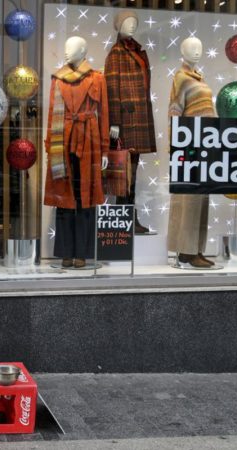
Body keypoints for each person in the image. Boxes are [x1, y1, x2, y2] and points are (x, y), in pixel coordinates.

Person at [44, 36, 109, 269]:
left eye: (71, 48)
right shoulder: (58, 79)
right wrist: (50, 145)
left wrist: (104, 149)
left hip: (89, 142)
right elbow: (52, 114)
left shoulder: (97, 78)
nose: (66, 52)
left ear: (83, 51)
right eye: (65, 47)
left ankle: (82, 252)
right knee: (63, 198)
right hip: (63, 141)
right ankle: (64, 252)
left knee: (85, 199)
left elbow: (104, 114)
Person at [104, 10, 156, 233]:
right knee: (125, 171)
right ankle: (124, 218)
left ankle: (128, 216)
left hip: (138, 118)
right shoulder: (116, 53)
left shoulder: (137, 51)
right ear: (118, 26)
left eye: (135, 22)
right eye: (127, 22)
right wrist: (114, 122)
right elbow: (111, 89)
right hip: (126, 120)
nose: (132, 26)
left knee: (132, 171)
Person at [167, 37, 215, 269]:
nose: (197, 51)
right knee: (188, 200)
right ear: (182, 50)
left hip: (206, 144)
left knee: (201, 199)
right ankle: (186, 250)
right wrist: (176, 147)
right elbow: (175, 111)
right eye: (192, 48)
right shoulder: (181, 77)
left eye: (200, 47)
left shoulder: (200, 78)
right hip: (189, 145)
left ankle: (195, 249)